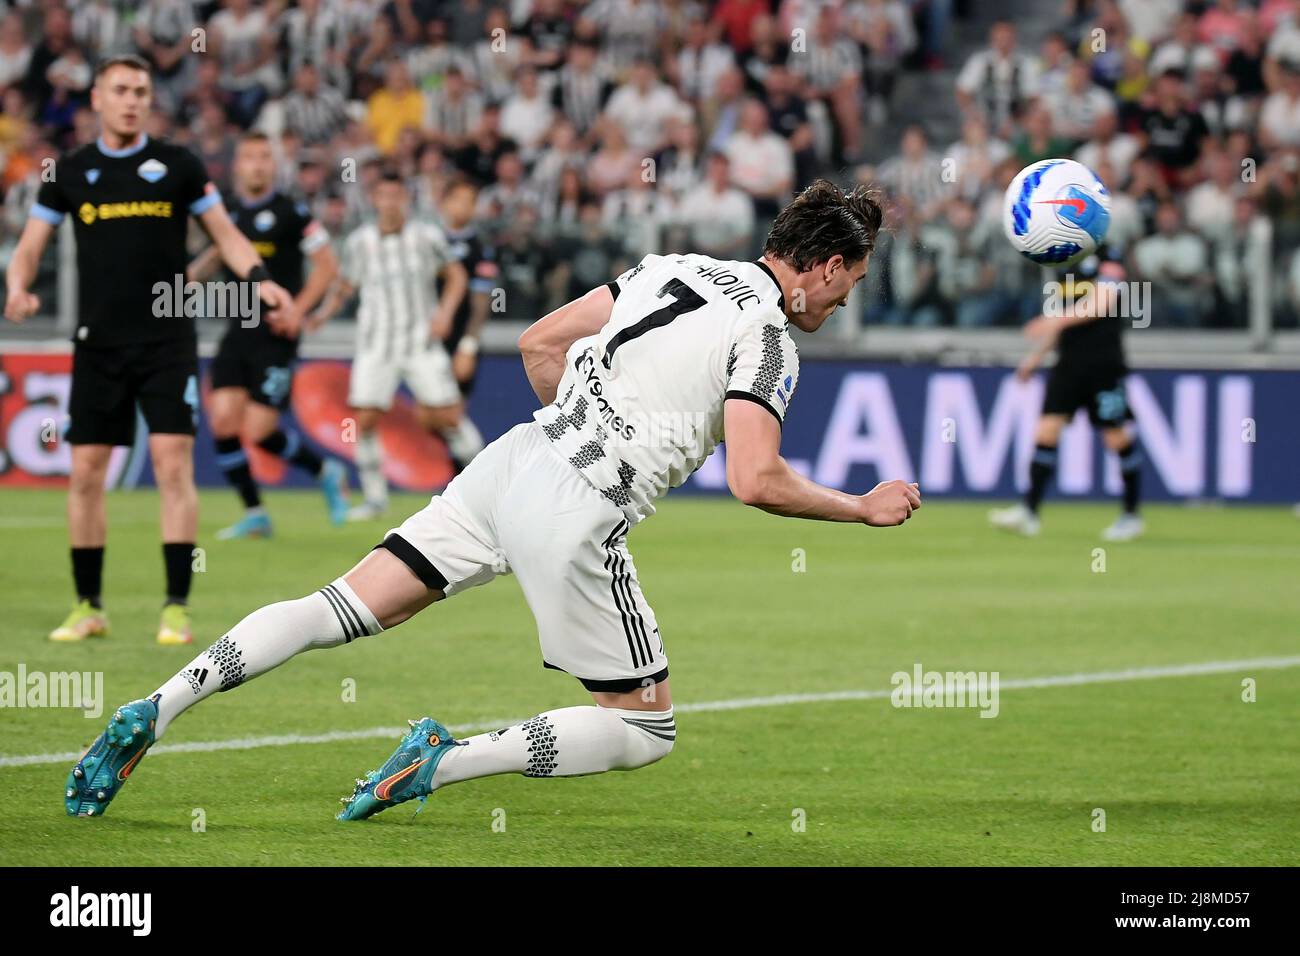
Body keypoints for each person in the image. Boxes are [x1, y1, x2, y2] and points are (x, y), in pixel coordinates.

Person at [62, 180, 922, 820]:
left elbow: (541, 339)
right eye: (850, 281)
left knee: (338, 605)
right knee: (645, 729)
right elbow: (754, 478)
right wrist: (860, 507)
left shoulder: (674, 266)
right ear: (828, 265)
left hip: (516, 460)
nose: (845, 300)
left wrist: (577, 429)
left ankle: (159, 704)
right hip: (581, 510)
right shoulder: (768, 336)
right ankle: (442, 760)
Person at [4, 54, 295, 646]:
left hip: (167, 340)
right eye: (120, 90)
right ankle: (88, 606)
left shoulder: (179, 166)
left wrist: (259, 277)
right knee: (85, 472)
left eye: (141, 90)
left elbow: (226, 234)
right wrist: (17, 285)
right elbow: (32, 243)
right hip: (98, 345)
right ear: (97, 100)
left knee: (170, 462)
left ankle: (176, 608)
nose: (133, 99)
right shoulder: (70, 173)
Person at [187, 130, 350, 540]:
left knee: (259, 432)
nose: (257, 164)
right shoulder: (226, 213)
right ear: (238, 165)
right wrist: (183, 281)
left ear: (273, 165)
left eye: (264, 157)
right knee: (223, 420)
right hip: (237, 331)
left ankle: (325, 470)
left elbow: (328, 267)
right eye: (249, 158)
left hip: (276, 335)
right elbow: (218, 253)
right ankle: (255, 512)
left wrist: (296, 310)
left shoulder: (292, 212)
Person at [313, 169, 472, 520]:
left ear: (406, 198)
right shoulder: (360, 242)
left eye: (397, 196)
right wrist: (322, 314)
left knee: (447, 416)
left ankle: (484, 489)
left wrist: (445, 313)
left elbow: (457, 275)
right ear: (374, 199)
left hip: (420, 341)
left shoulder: (426, 236)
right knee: (365, 418)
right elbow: (346, 285)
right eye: (383, 196)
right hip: (377, 345)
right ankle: (374, 498)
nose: (390, 203)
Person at [989, 246, 1145, 540]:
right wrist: (1035, 358)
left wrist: (1050, 321)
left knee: (1116, 437)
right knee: (1046, 433)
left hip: (1103, 364)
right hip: (1068, 365)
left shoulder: (1110, 256)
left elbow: (1102, 304)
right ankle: (1029, 513)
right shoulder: (1064, 263)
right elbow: (1063, 319)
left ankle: (1130, 515)